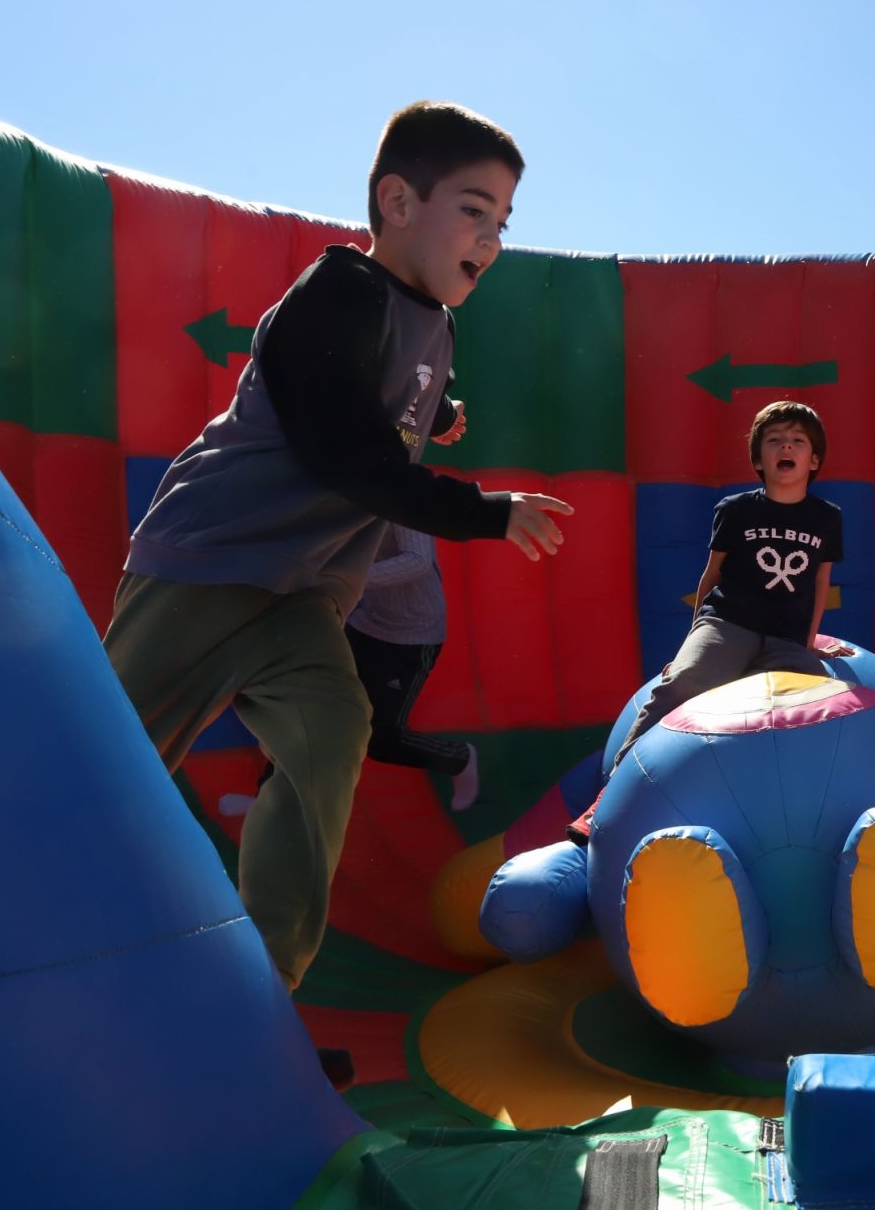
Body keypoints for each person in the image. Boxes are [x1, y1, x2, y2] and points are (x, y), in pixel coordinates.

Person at [103, 102, 570, 1084]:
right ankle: (24, 954)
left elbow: (396, 395)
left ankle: (253, 1005)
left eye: (505, 222)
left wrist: (439, 411)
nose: (492, 240)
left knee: (329, 735)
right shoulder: (335, 293)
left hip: (305, 595)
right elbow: (346, 451)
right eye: (476, 211)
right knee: (110, 770)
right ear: (397, 200)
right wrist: (482, 509)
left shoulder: (431, 321)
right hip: (208, 565)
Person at [609, 400, 852, 767]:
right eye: (774, 440)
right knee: (685, 683)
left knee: (818, 697)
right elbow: (712, 575)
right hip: (728, 624)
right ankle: (620, 780)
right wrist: (690, 646)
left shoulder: (827, 518)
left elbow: (820, 582)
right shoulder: (736, 509)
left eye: (797, 440)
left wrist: (807, 644)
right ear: (758, 460)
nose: (786, 446)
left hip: (784, 637)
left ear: (814, 461)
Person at [344, 522, 480, 809]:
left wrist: (347, 576)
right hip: (363, 618)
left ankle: (459, 758)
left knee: (381, 740)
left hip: (410, 634)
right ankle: (270, 794)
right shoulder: (334, 490)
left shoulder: (397, 489)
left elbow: (417, 560)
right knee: (311, 704)